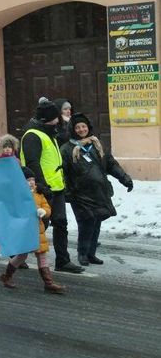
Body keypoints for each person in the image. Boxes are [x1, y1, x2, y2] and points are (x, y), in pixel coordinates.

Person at [59, 112, 132, 266]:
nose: (81, 129)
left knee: (96, 222)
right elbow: (62, 172)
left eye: (83, 126)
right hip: (79, 194)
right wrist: (68, 192)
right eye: (77, 127)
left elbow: (111, 164)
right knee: (86, 223)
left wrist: (124, 178)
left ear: (88, 127)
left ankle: (91, 254)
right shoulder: (66, 149)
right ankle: (82, 253)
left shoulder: (97, 145)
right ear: (73, 129)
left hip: (99, 192)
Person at [20, 98, 83, 273]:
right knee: (39, 225)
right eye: (56, 118)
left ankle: (63, 261)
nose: (58, 120)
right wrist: (41, 185)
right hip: (41, 190)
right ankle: (17, 254)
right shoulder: (32, 135)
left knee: (61, 223)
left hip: (57, 188)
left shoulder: (50, 133)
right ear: (47, 119)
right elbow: (32, 163)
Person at [0, 167, 65, 293]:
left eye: (33, 180)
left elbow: (47, 208)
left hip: (38, 230)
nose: (32, 182)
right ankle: (7, 276)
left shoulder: (39, 193)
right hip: (24, 230)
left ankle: (49, 283)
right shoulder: (17, 195)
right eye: (28, 180)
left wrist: (44, 211)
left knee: (41, 254)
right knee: (21, 256)